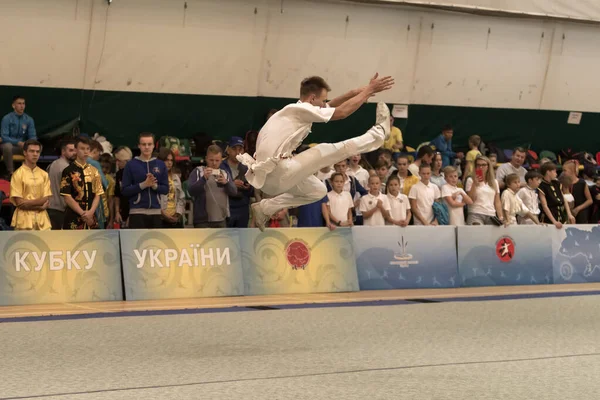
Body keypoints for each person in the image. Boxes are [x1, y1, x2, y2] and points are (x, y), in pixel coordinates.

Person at [237, 74, 395, 231]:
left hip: (270, 180)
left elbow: (330, 106)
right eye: (323, 100)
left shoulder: (299, 111)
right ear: (312, 98)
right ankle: (379, 133)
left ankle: (265, 208)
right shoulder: (299, 109)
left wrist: (355, 92)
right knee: (326, 149)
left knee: (317, 191)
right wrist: (369, 91)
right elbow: (340, 112)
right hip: (277, 172)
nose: (325, 103)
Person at [121, 133, 169, 229]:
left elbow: (166, 189)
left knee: (155, 243)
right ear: (139, 146)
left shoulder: (161, 165)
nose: (147, 147)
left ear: (154, 145)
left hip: (156, 212)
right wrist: (143, 185)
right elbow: (125, 190)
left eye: (149, 144)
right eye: (143, 144)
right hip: (136, 212)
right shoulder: (131, 165)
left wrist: (154, 186)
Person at [188, 145, 237, 228]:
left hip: (221, 219)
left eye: (217, 160)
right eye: (211, 160)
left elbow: (234, 192)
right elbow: (191, 191)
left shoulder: (225, 173)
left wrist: (226, 183)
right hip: (202, 221)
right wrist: (203, 178)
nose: (214, 163)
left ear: (221, 160)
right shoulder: (198, 171)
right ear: (206, 158)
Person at [60, 137, 104, 230]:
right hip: (73, 217)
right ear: (76, 150)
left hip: (92, 217)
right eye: (82, 148)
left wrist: (91, 212)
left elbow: (98, 194)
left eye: (88, 149)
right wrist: (83, 214)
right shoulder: (68, 171)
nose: (86, 152)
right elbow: (67, 197)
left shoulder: (94, 171)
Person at [10, 139, 51, 230]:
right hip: (24, 222)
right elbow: (19, 203)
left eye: (37, 151)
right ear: (25, 152)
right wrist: (40, 206)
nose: (35, 154)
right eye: (32, 151)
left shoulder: (44, 174)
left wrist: (27, 202)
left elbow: (46, 199)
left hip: (43, 222)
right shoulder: (17, 174)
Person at [1, 95, 37, 177]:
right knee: (7, 146)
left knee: (33, 147)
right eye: (19, 103)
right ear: (13, 105)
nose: (22, 106)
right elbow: (4, 137)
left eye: (23, 104)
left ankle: (30, 171)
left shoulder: (29, 119)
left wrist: (28, 144)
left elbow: (33, 136)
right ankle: (11, 173)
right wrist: (18, 142)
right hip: (8, 146)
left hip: (22, 146)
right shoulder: (6, 118)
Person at [221, 136, 253, 228]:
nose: (237, 152)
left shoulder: (247, 166)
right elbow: (217, 186)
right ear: (228, 150)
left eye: (240, 149)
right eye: (234, 149)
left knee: (242, 238)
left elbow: (253, 191)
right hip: (228, 207)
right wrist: (231, 184)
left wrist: (248, 187)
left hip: (243, 207)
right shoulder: (222, 166)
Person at [47, 139, 77, 229]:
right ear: (63, 151)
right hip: (62, 209)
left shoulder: (51, 165)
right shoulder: (68, 168)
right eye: (71, 150)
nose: (74, 153)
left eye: (75, 150)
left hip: (51, 208)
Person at [465, 156, 503, 226]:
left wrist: (500, 216)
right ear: (475, 167)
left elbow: (497, 201)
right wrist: (474, 184)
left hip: (491, 214)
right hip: (475, 213)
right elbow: (470, 200)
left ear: (488, 166)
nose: (481, 167)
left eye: (483, 165)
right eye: (478, 165)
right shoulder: (470, 180)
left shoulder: (494, 182)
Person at [539, 162, 575, 228]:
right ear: (548, 172)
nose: (556, 174)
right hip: (549, 218)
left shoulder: (557, 183)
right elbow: (545, 206)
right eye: (554, 171)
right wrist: (554, 221)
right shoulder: (542, 186)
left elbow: (563, 199)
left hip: (560, 215)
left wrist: (569, 214)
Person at [157, 148, 185, 228]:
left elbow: (181, 197)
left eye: (171, 160)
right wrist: (163, 213)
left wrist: (178, 214)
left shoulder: (176, 177)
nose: (169, 163)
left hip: (175, 219)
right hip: (160, 219)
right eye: (166, 160)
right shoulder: (154, 177)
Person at [562, 160, 593, 224]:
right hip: (568, 212)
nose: (563, 173)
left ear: (572, 171)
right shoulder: (563, 183)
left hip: (581, 212)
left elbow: (590, 200)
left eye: (565, 170)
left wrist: (578, 208)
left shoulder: (582, 183)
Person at [113, 146, 132, 228]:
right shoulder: (119, 174)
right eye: (116, 160)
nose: (117, 163)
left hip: (134, 212)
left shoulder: (135, 173)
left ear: (127, 161)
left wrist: (132, 215)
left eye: (119, 161)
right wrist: (117, 212)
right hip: (122, 212)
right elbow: (117, 195)